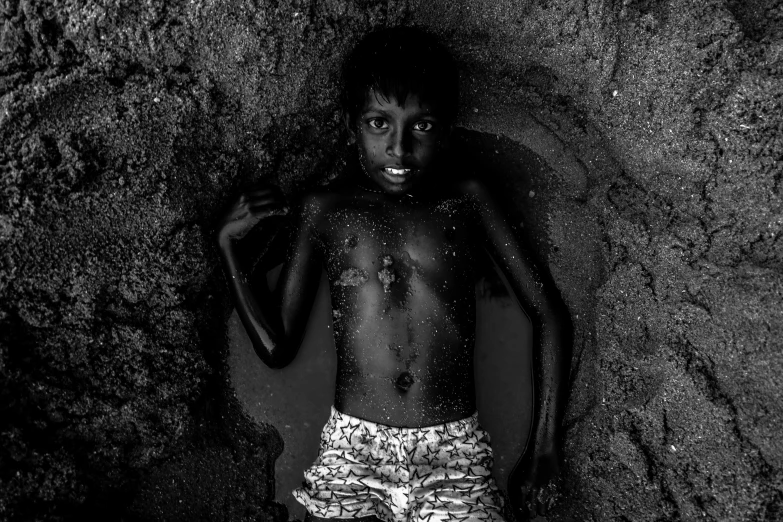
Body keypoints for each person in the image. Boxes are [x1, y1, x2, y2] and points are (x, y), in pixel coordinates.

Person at [216, 26, 573, 522]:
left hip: (454, 453)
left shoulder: (466, 200)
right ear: (352, 126)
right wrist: (229, 247)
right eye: (378, 123)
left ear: (445, 129)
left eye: (421, 127)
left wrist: (544, 447)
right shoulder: (324, 210)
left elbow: (547, 312)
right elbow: (277, 349)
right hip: (352, 452)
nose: (399, 149)